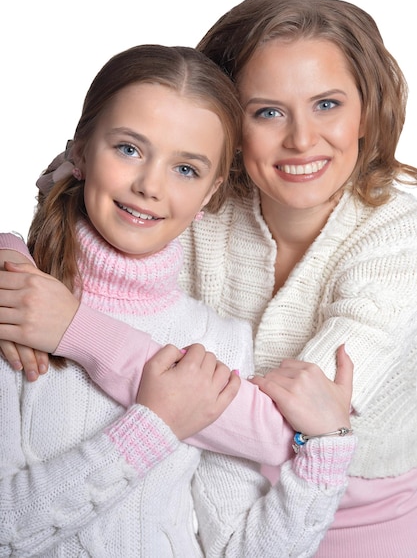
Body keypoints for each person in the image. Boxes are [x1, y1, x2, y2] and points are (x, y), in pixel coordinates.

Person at [0, 43, 355, 557]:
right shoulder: (16, 301)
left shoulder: (220, 341)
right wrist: (154, 426)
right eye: (128, 149)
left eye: (186, 169)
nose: (149, 186)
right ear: (79, 152)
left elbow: (241, 549)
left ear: (211, 193)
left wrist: (327, 454)